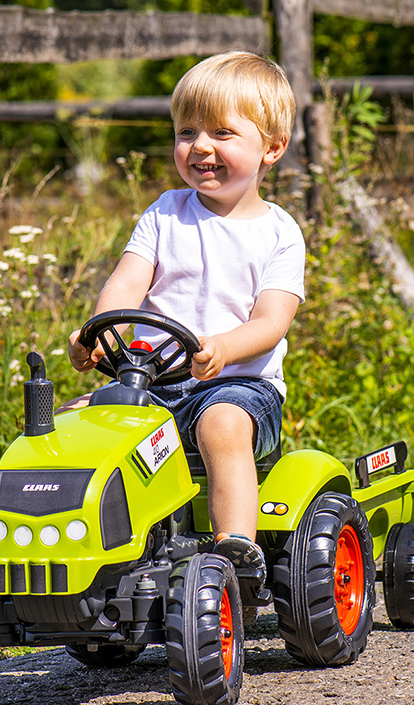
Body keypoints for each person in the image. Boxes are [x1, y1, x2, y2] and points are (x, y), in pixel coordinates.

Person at [65, 51, 305, 592]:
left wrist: (223, 347)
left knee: (220, 423)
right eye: (187, 131)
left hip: (239, 386)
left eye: (222, 132)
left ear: (271, 147)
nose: (200, 147)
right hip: (152, 380)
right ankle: (83, 559)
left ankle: (235, 554)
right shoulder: (165, 212)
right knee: (72, 424)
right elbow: (127, 284)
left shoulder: (279, 233)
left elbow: (272, 321)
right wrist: (99, 334)